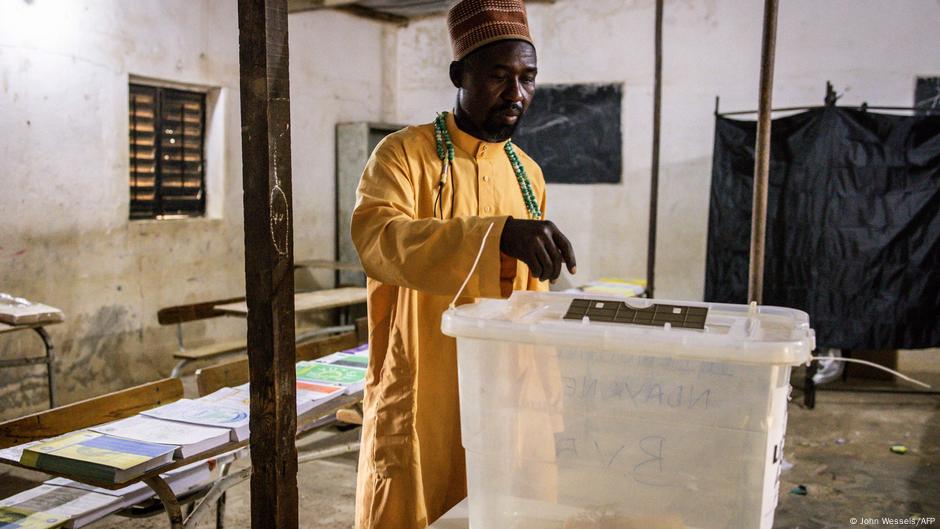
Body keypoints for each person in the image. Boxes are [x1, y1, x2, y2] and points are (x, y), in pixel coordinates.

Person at [350, 1, 576, 527]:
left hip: (507, 382)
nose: (516, 93)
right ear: (460, 75)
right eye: (499, 76)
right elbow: (377, 239)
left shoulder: (528, 173)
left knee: (503, 500)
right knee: (418, 498)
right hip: (428, 374)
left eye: (527, 78)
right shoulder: (402, 156)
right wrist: (495, 233)